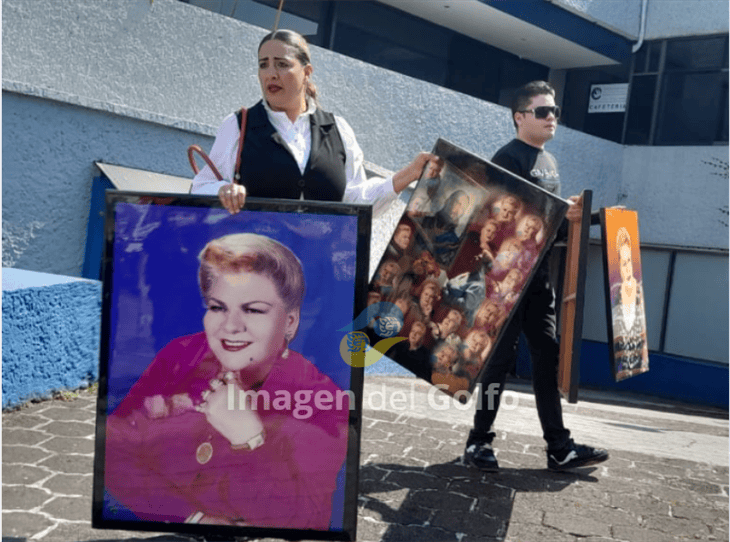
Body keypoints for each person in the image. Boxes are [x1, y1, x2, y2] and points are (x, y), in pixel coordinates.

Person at [105, 233, 350, 529]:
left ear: (290, 322)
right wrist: (193, 517)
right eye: (218, 307)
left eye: (253, 309)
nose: (230, 327)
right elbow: (113, 448)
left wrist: (249, 441)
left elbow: (309, 519)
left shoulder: (320, 399)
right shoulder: (181, 356)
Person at [464, 81, 608, 472]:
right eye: (543, 112)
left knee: (547, 357)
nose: (552, 118)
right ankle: (478, 443)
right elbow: (506, 224)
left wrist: (584, 217)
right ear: (520, 116)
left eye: (555, 112)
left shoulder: (550, 162)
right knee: (499, 362)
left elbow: (551, 229)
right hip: (506, 280)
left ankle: (559, 448)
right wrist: (563, 214)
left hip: (538, 277)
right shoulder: (507, 158)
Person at [191, 30, 441, 215]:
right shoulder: (237, 125)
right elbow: (199, 187)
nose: (271, 73)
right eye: (263, 65)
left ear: (306, 72)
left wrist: (409, 174)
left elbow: (355, 200)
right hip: (258, 268)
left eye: (282, 64)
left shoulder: (338, 129)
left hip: (321, 268)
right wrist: (222, 190)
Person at [611, 227, 648, 375]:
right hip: (621, 361)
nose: (626, 267)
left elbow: (641, 333)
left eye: (628, 262)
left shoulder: (638, 290)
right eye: (623, 262)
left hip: (636, 361)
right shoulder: (616, 290)